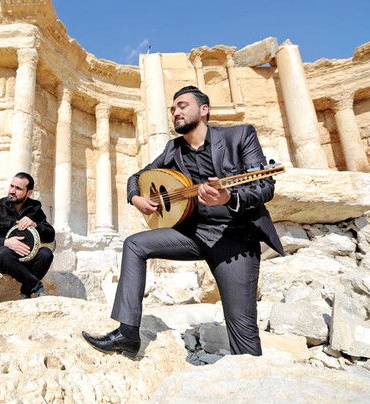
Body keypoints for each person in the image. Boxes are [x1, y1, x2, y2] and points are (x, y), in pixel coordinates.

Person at [82, 85, 284, 359]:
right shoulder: (173, 148)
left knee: (242, 327)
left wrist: (227, 197)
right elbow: (137, 177)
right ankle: (127, 333)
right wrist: (136, 198)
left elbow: (263, 189)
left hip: (235, 241)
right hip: (192, 234)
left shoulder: (240, 135)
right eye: (173, 108)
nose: (175, 112)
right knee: (135, 245)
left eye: (182, 106)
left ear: (204, 110)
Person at [0, 172, 55, 299]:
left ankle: (25, 292)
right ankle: (36, 286)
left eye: (18, 188)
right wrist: (6, 242)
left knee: (46, 253)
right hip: (5, 259)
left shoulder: (35, 208)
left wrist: (35, 224)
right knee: (2, 253)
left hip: (29, 260)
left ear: (29, 193)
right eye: (12, 186)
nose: (12, 191)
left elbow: (50, 235)